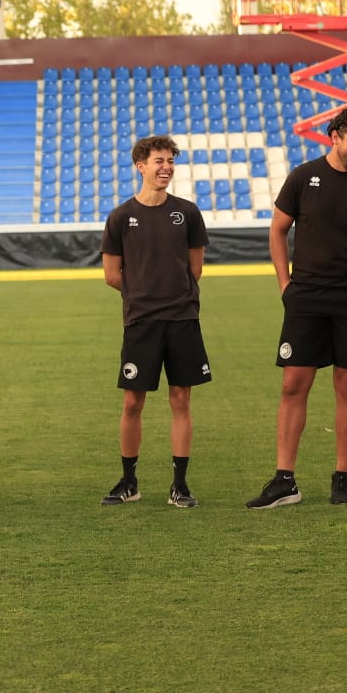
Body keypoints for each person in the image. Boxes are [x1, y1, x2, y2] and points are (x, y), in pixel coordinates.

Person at [247, 106, 347, 509]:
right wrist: (284, 284)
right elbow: (277, 229)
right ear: (335, 136)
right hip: (306, 296)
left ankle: (342, 477)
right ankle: (284, 480)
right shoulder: (302, 177)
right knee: (294, 385)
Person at [100, 135, 210, 508]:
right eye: (158, 161)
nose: (166, 167)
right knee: (133, 402)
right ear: (140, 166)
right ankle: (129, 482)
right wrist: (144, 293)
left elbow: (195, 268)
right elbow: (112, 275)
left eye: (170, 161)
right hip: (141, 322)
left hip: (182, 320)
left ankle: (179, 485)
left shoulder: (188, 212)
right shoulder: (120, 217)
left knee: (181, 399)